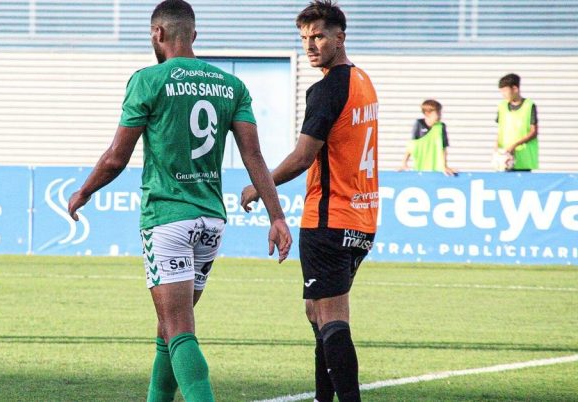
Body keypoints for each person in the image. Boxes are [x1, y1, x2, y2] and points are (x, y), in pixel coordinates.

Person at [67, 1, 292, 400]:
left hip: (167, 217)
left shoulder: (148, 80)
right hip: (211, 221)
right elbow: (253, 156)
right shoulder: (231, 85)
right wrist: (277, 217)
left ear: (158, 34)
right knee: (168, 327)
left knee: (179, 330)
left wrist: (84, 191)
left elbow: (116, 157)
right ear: (193, 35)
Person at [241, 1, 377, 401]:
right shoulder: (363, 81)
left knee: (330, 316)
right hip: (362, 219)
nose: (310, 45)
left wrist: (259, 186)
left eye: (318, 36)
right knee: (317, 313)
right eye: (304, 38)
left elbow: (303, 157)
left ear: (340, 37)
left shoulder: (327, 88)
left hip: (329, 218)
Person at [398, 99, 456, 175]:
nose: (440, 115)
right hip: (420, 168)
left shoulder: (441, 127)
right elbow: (411, 146)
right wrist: (404, 163)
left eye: (440, 112)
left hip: (437, 169)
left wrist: (445, 166)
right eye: (437, 112)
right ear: (427, 113)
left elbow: (443, 148)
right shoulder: (419, 124)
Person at [496, 73, 539, 171]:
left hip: (523, 158)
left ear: (515, 89)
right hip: (505, 158)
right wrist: (496, 149)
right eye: (501, 91)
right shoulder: (502, 106)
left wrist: (514, 146)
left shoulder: (529, 106)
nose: (503, 94)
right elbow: (500, 131)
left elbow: (533, 132)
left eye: (505, 90)